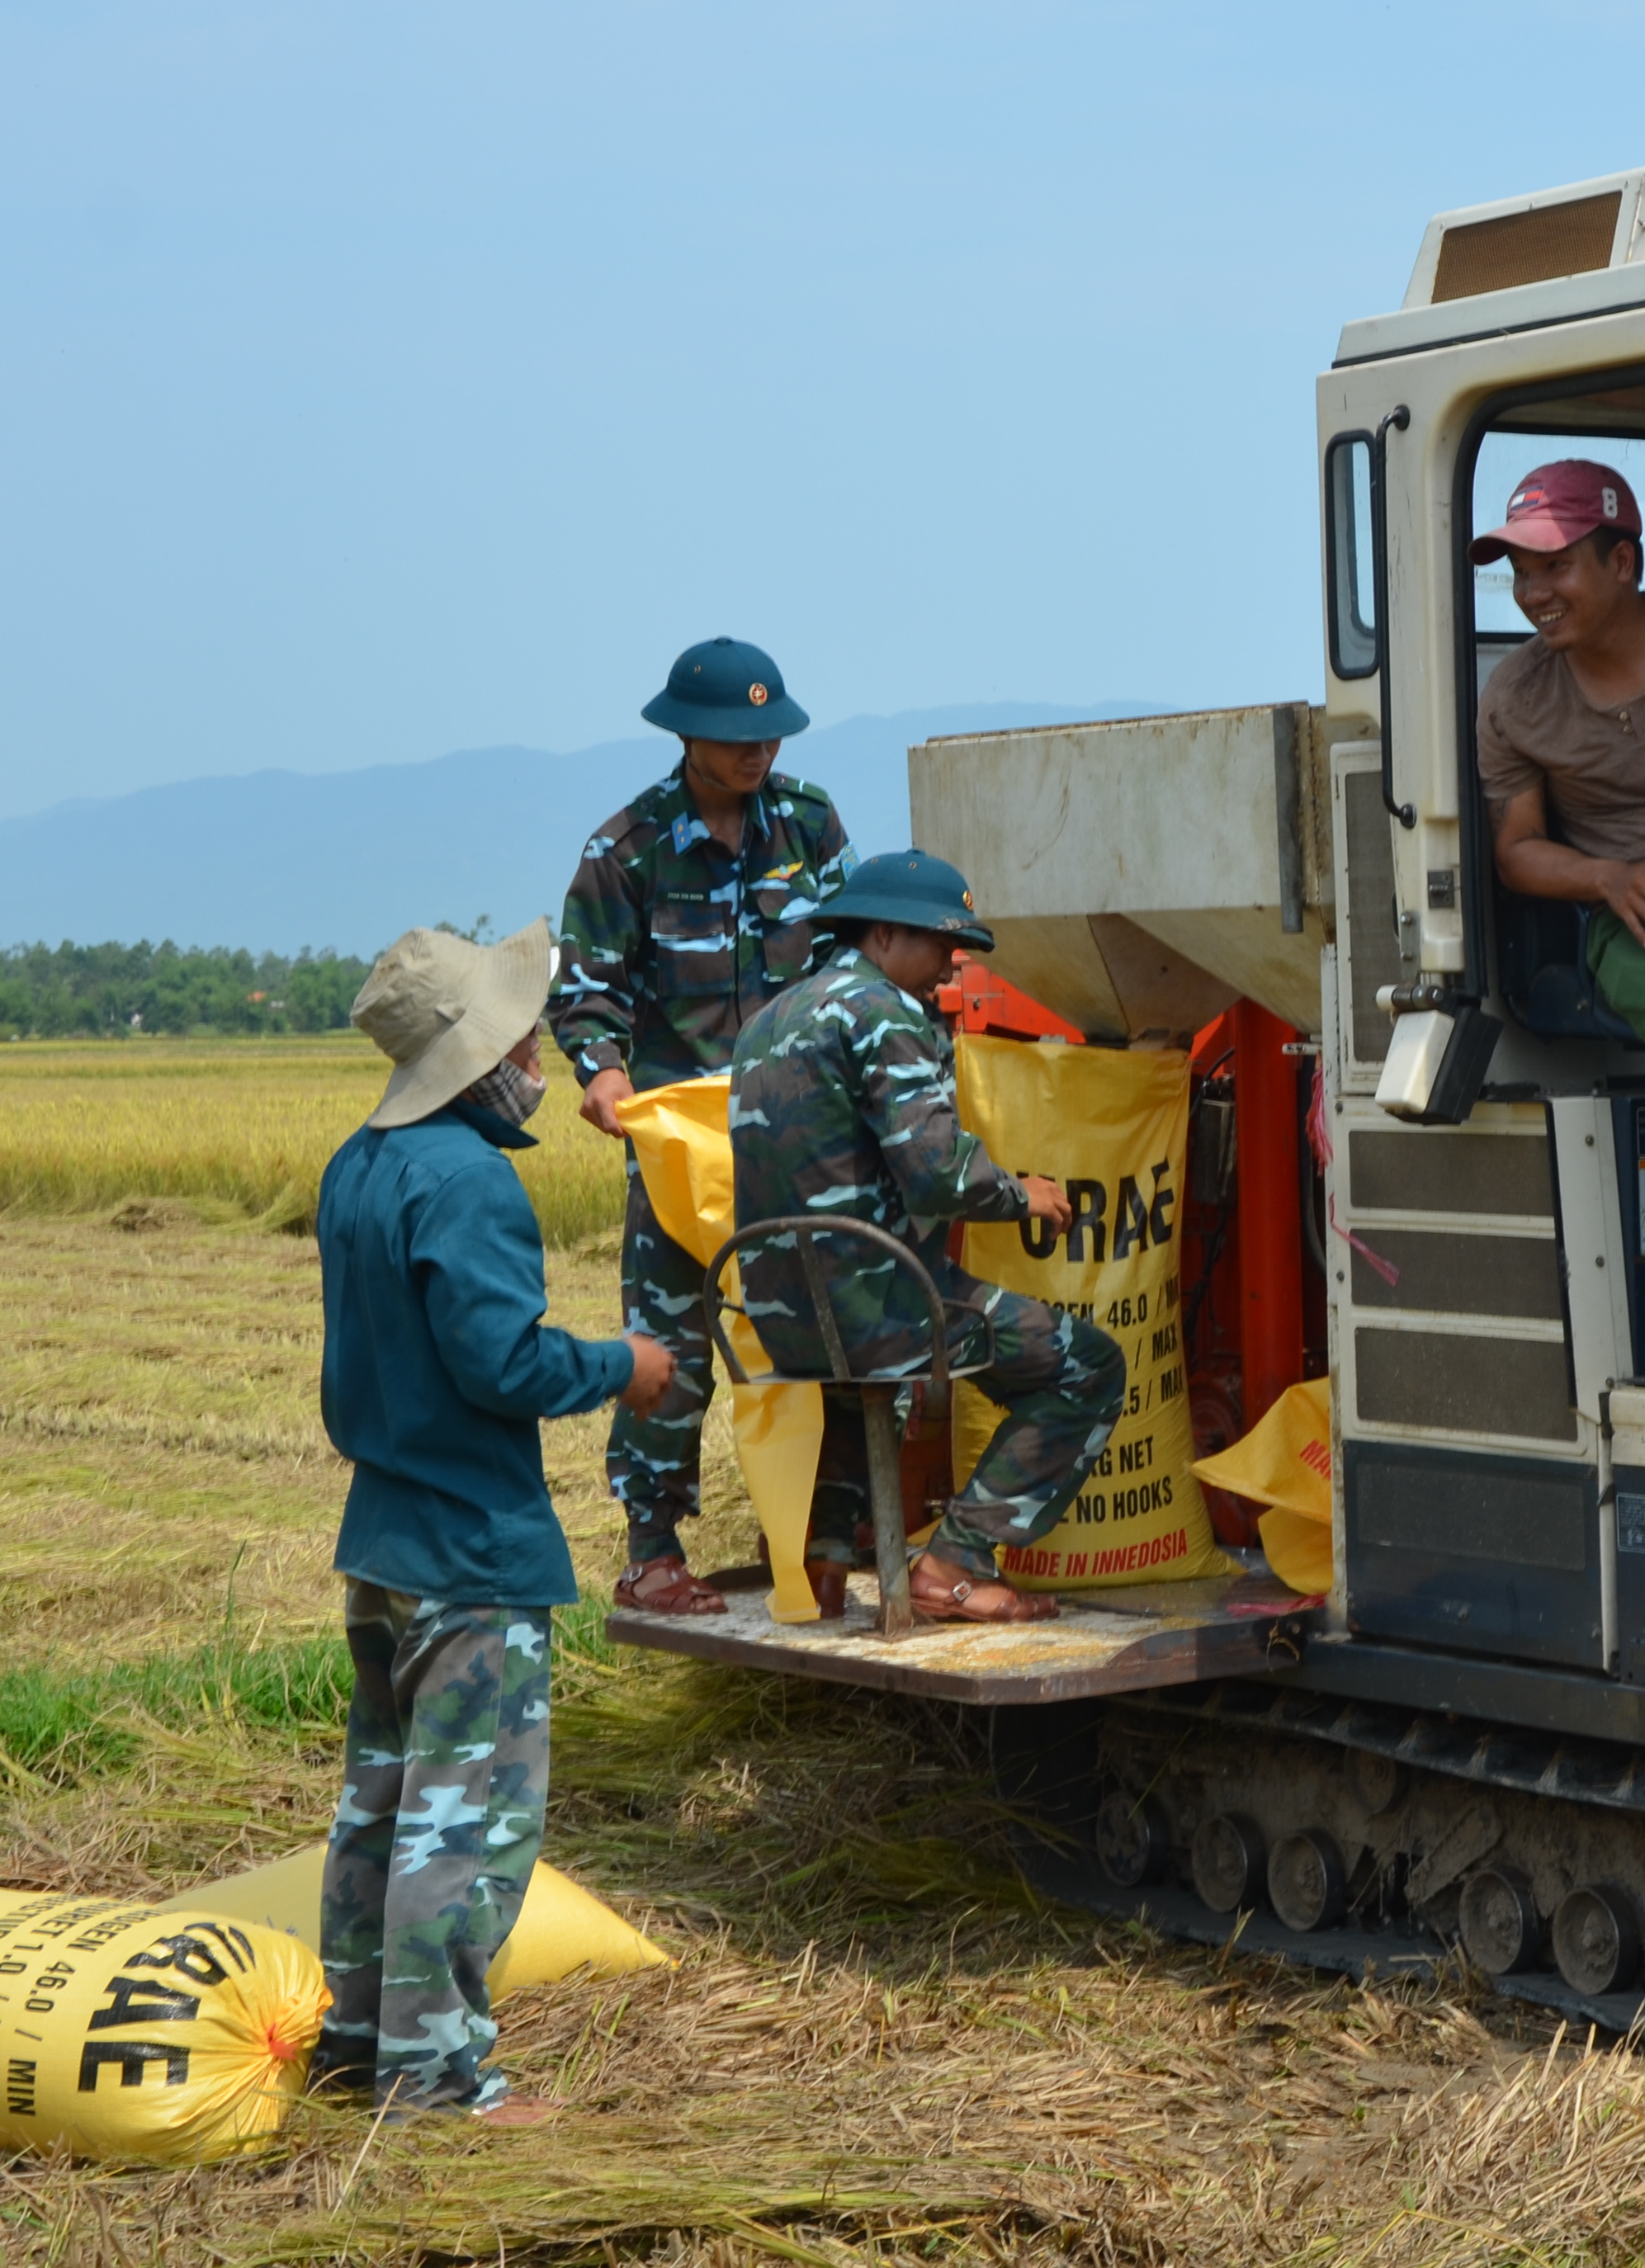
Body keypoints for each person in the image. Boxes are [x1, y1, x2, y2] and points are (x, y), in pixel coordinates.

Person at [314, 922, 673, 2121]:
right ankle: (439, 2079)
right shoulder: (469, 1181)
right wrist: (622, 1364)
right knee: (463, 1825)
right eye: (525, 1037)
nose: (538, 1055)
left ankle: (359, 2040)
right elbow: (501, 1366)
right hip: (473, 1549)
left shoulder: (359, 1162)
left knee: (381, 1800)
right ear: (479, 1060)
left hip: (382, 1541)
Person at [729, 848, 1127, 1623]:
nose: (951, 966)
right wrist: (1024, 1195)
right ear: (882, 934)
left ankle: (823, 1567)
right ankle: (955, 1563)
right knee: (1090, 1367)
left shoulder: (768, 1019)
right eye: (942, 945)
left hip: (779, 1311)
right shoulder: (884, 1013)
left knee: (863, 1388)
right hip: (876, 1305)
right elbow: (939, 1171)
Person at [551, 635, 855, 1617]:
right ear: (685, 736)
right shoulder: (627, 849)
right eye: (734, 738)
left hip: (801, 1137)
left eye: (767, 734)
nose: (754, 752)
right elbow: (586, 993)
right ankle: (652, 1551)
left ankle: (828, 1539)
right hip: (682, 1146)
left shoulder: (809, 825)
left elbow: (853, 961)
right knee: (671, 1342)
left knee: (827, 1333)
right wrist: (601, 1078)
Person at [1473, 461, 1645, 1244]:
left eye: (1554, 566)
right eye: (1521, 573)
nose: (1533, 594)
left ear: (1621, 562)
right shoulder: (1517, 699)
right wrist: (1607, 878)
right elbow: (1516, 850)